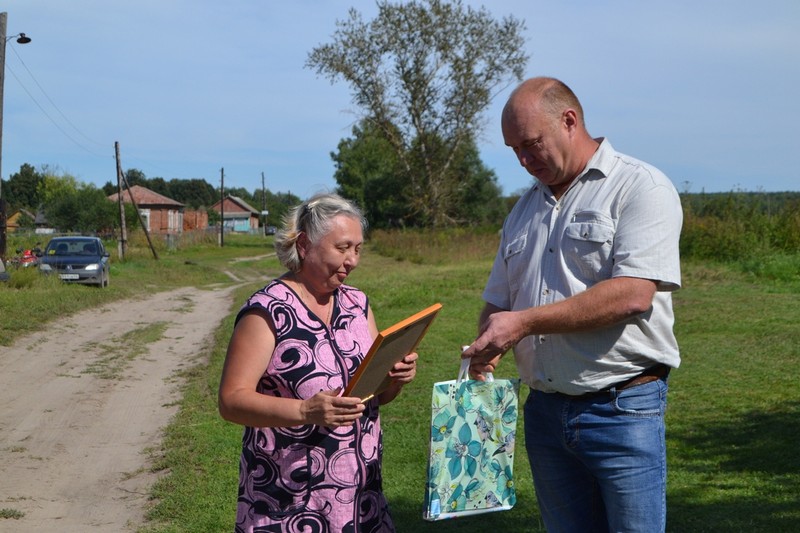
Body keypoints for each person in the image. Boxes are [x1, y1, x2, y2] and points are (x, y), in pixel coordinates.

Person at [462, 77, 683, 532]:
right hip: (543, 413)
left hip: (622, 409)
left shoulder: (640, 187)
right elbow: (500, 299)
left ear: (569, 121)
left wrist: (521, 324)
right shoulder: (524, 210)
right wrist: (487, 343)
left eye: (531, 144)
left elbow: (633, 293)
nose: (523, 161)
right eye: (514, 150)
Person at [219, 193, 417, 532]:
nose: (352, 260)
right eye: (342, 248)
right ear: (305, 244)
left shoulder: (357, 304)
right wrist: (305, 412)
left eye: (358, 248)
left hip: (361, 500)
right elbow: (231, 401)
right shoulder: (267, 311)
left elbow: (375, 397)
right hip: (287, 502)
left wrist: (394, 379)